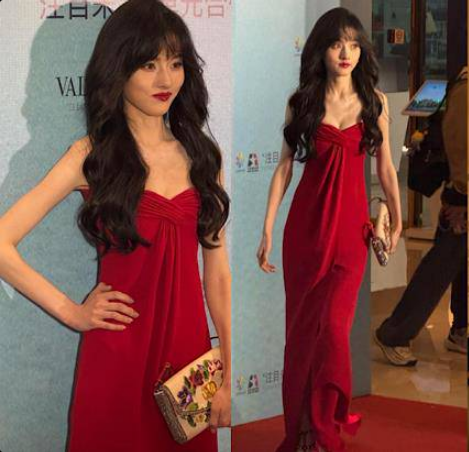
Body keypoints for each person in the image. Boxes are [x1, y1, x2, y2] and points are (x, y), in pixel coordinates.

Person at [0, 1, 231, 451]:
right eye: (148, 65)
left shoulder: (203, 157)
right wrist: (72, 311)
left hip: (187, 360)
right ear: (118, 69)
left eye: (176, 63)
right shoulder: (91, 156)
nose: (166, 80)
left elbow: (218, 276)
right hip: (116, 357)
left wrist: (227, 369)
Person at [257, 8, 402, 452]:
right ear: (321, 49)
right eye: (337, 44)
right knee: (303, 334)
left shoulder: (375, 102)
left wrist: (397, 217)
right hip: (305, 231)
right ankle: (302, 428)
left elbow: (386, 167)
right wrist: (267, 228)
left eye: (354, 44)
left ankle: (323, 429)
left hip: (350, 235)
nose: (346, 53)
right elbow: (284, 167)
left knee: (334, 330)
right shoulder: (302, 102)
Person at [375, 67, 468, 366]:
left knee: (454, 264)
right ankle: (394, 333)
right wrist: (462, 195)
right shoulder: (466, 89)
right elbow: (460, 146)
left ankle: (461, 330)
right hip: (463, 200)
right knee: (439, 268)